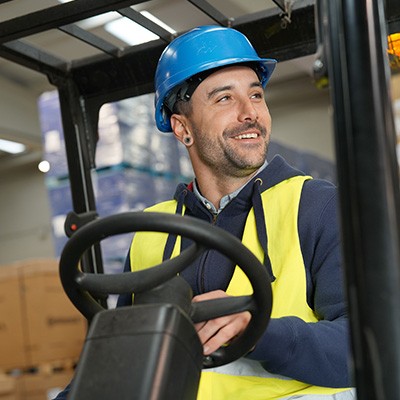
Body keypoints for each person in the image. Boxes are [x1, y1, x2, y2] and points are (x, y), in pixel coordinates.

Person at [55, 25, 355, 399]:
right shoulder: (151, 233)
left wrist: (262, 333)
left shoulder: (316, 206)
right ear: (183, 129)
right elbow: (124, 353)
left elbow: (367, 343)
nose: (250, 114)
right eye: (225, 99)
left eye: (256, 95)